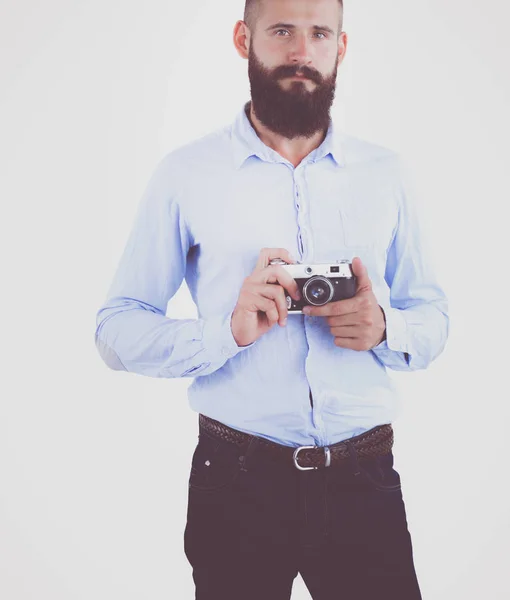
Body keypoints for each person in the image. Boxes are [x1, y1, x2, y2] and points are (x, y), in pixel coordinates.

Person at [94, 0, 449, 597]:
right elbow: (115, 330)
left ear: (341, 47)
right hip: (235, 479)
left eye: (319, 33)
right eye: (281, 30)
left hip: (364, 475)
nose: (300, 52)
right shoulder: (185, 174)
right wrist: (226, 331)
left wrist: (384, 327)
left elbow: (435, 318)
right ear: (244, 39)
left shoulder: (387, 175)